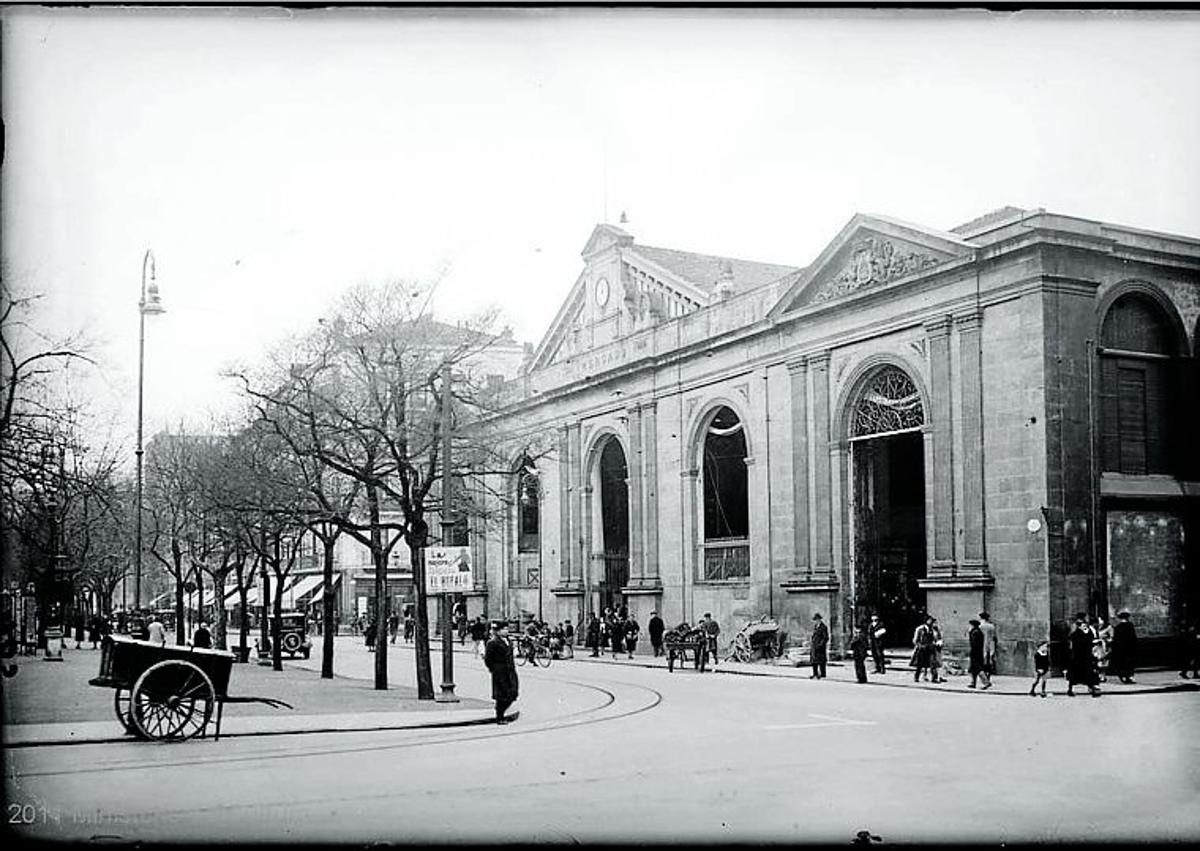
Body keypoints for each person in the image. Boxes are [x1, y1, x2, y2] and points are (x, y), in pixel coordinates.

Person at [483, 622, 519, 725]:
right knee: (502, 695)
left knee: (513, 693)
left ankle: (501, 711)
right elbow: (488, 659)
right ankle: (500, 716)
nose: (506, 631)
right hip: (500, 671)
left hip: (510, 671)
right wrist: (493, 669)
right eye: (504, 629)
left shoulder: (509, 641)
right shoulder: (492, 643)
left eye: (507, 629)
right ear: (498, 631)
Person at [1067, 613, 1100, 697]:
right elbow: (1074, 639)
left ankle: (1092, 687)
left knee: (1088, 671)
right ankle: (1071, 689)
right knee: (1078, 672)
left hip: (1085, 654)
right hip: (1079, 654)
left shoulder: (1086, 629)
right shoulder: (1076, 629)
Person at [1110, 611, 1137, 684]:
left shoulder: (1117, 627)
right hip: (1129, 648)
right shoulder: (1130, 626)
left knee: (1121, 663)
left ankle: (1123, 676)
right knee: (1129, 662)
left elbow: (1115, 640)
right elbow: (1133, 638)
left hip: (1120, 649)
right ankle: (1130, 676)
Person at [911, 616, 934, 683]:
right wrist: (919, 646)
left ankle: (926, 676)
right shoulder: (920, 629)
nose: (931, 622)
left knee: (929, 663)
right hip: (921, 648)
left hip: (929, 648)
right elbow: (915, 640)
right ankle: (916, 676)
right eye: (929, 620)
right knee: (920, 664)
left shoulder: (932, 629)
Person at [979, 611, 997, 688]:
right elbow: (994, 637)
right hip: (990, 645)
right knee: (989, 663)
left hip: (982, 646)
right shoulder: (992, 626)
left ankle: (985, 679)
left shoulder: (980, 627)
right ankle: (988, 676)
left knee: (982, 663)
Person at [1094, 615, 1113, 683]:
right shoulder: (1093, 628)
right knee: (1097, 661)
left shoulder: (1108, 628)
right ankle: (1097, 674)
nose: (1100, 622)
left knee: (1104, 662)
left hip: (1104, 647)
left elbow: (1111, 637)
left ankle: (1103, 675)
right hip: (1096, 647)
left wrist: (1107, 640)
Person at [809, 613, 829, 679]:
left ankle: (823, 674)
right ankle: (815, 674)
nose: (816, 621)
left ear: (819, 619)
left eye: (817, 620)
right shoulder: (815, 627)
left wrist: (821, 644)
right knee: (814, 661)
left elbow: (825, 637)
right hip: (814, 646)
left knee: (821, 661)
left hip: (820, 647)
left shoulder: (823, 627)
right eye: (815, 620)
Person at [966, 618, 985, 689]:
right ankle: (973, 683)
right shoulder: (978, 632)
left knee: (978, 668)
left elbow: (974, 644)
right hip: (978, 652)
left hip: (975, 652)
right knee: (973, 669)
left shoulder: (975, 633)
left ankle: (986, 682)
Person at [928, 617, 944, 684]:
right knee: (933, 663)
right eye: (934, 623)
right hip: (931, 649)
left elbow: (939, 638)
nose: (935, 624)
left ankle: (938, 676)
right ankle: (934, 677)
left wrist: (940, 642)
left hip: (937, 648)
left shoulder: (937, 630)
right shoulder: (929, 630)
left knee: (938, 663)